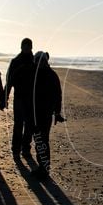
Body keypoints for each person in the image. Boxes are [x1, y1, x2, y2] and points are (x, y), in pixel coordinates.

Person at [29, 51, 64, 180]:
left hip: (43, 114)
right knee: (40, 140)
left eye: (41, 60)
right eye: (38, 61)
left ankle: (44, 169)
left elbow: (58, 95)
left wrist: (57, 112)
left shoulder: (47, 75)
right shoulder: (37, 74)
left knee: (42, 140)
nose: (39, 63)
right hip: (36, 113)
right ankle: (43, 167)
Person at [5, 37, 34, 158]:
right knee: (18, 124)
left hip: (31, 98)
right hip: (19, 97)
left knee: (29, 125)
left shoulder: (35, 61)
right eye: (25, 46)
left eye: (28, 46)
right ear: (21, 47)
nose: (26, 48)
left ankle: (26, 149)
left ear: (31, 47)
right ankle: (16, 150)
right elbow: (9, 80)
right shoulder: (15, 61)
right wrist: (5, 97)